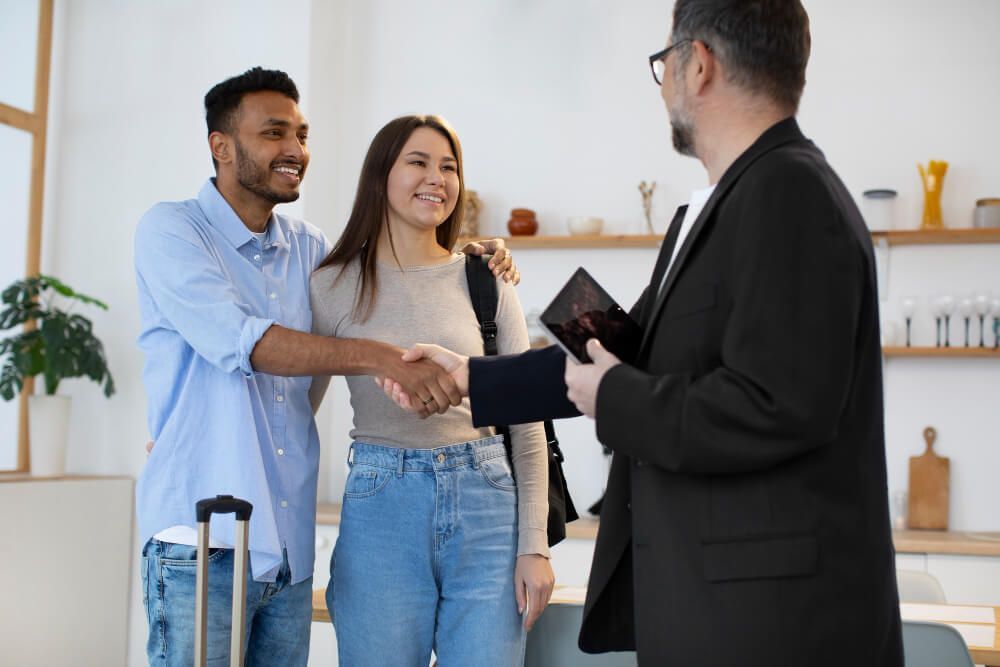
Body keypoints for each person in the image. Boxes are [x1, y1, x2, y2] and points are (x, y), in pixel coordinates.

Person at [381, 1, 903, 664]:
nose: (665, 90)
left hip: (771, 623)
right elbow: (613, 345)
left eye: (665, 66)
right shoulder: (714, 205)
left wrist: (617, 397)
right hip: (712, 608)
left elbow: (777, 405)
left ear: (698, 65)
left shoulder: (790, 190)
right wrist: (467, 376)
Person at [133, 67, 516, 666]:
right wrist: (381, 356)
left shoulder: (309, 249)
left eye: (302, 135)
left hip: (284, 548)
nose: (295, 150)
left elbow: (396, 262)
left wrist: (474, 253)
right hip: (201, 540)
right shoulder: (172, 230)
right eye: (275, 133)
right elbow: (248, 344)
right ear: (221, 146)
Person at [308, 114, 554, 667]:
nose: (437, 178)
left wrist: (532, 546)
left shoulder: (486, 278)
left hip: (488, 506)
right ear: (381, 177)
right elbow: (297, 412)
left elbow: (527, 421)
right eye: (418, 162)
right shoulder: (331, 284)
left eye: (449, 167)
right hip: (379, 511)